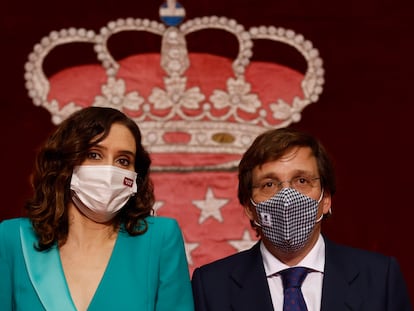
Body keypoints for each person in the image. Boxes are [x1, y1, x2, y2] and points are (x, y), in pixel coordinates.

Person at [191, 127, 412, 311]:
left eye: (302, 181)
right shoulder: (211, 286)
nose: (287, 197)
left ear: (325, 199)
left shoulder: (379, 278)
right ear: (250, 207)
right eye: (269, 184)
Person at [0, 107, 194, 311]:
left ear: (135, 176)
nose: (110, 170)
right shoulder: (12, 238)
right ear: (65, 163)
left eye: (123, 160)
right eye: (94, 154)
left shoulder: (160, 238)